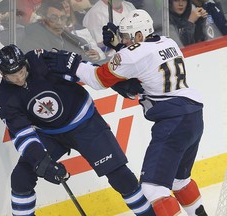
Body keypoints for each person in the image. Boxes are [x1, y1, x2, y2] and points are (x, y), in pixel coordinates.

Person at [42, 9, 208, 216]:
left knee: (151, 189)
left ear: (139, 36)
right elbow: (141, 65)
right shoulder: (167, 42)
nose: (125, 40)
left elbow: (98, 79)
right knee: (179, 180)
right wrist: (118, 46)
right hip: (192, 116)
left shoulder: (132, 54)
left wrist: (73, 64)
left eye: (128, 36)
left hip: (173, 122)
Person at [0, 44, 156, 216]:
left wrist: (113, 82)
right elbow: (23, 135)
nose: (19, 78)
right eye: (13, 76)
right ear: (3, 75)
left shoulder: (40, 60)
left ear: (25, 63)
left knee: (120, 176)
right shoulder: (4, 99)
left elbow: (79, 69)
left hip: (85, 123)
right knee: (21, 178)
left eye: (21, 72)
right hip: (50, 135)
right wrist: (42, 162)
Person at [21, 0, 101, 63]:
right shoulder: (33, 41)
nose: (59, 22)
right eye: (54, 18)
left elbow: (82, 58)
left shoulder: (70, 39)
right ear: (43, 19)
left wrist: (91, 57)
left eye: (62, 18)